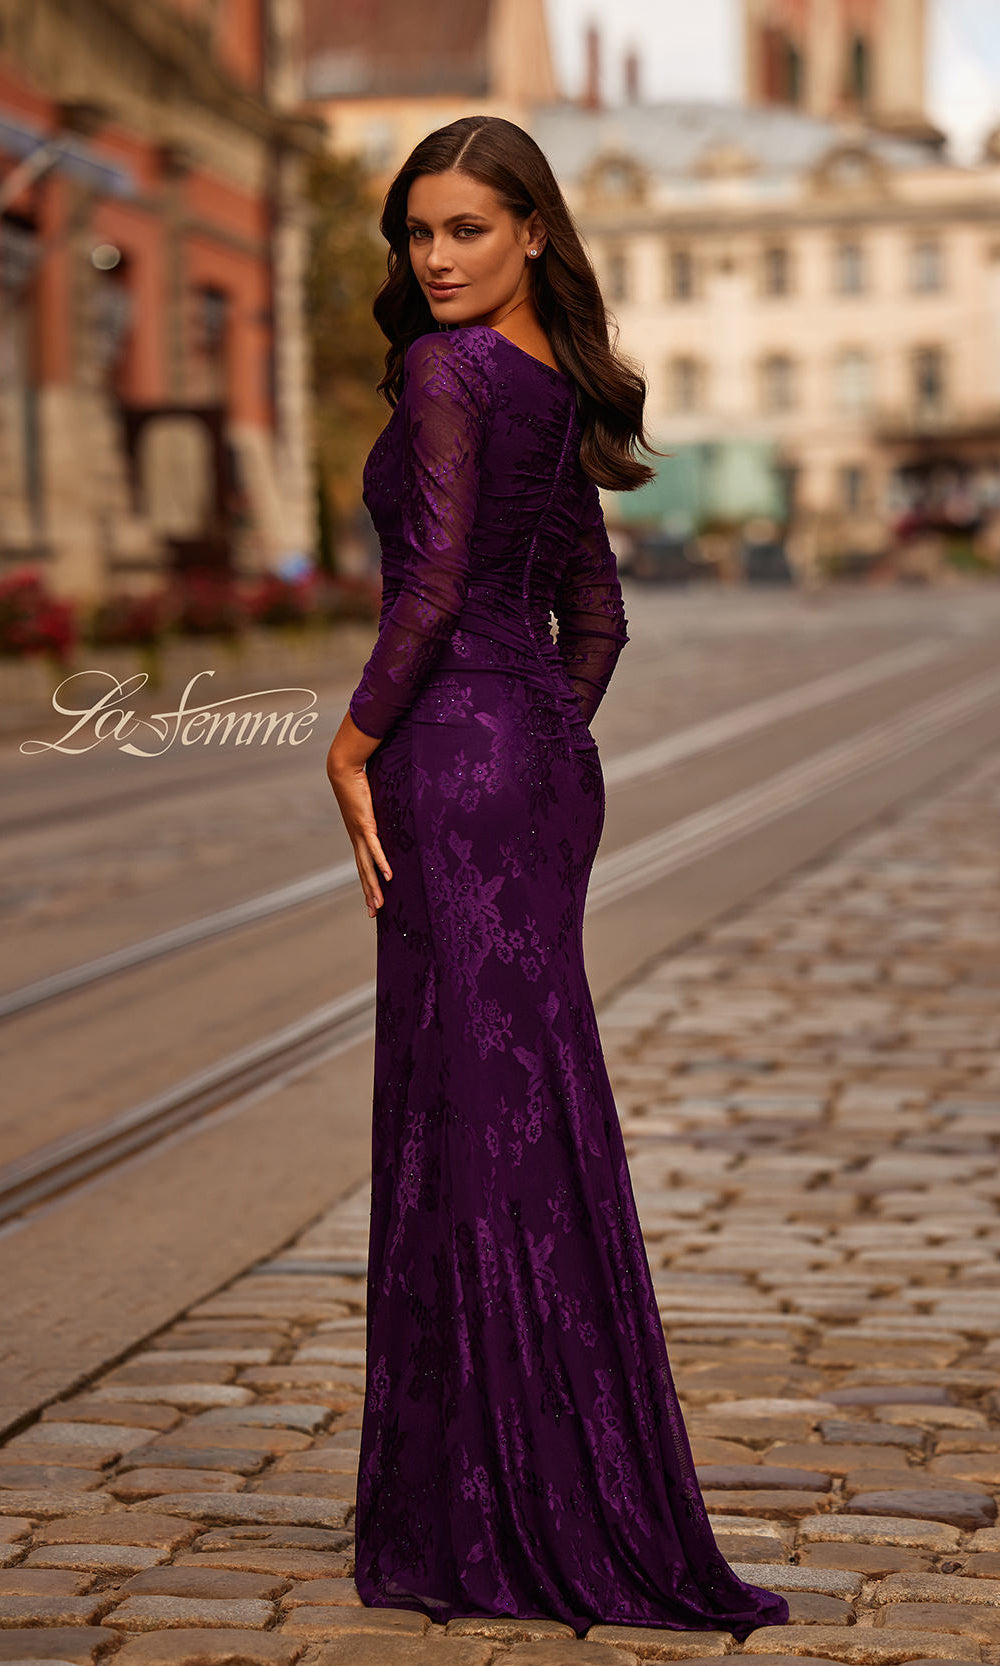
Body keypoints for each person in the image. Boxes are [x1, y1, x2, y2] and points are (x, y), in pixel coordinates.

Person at [325, 114, 789, 1642]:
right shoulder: (547, 382)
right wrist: (529, 740)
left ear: (533, 228)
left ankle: (494, 1497)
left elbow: (439, 581)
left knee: (472, 1114)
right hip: (528, 771)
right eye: (417, 232)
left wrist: (361, 738)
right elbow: (594, 616)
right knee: (524, 1105)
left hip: (451, 767)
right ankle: (544, 1469)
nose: (435, 257)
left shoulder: (453, 374)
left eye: (465, 227)